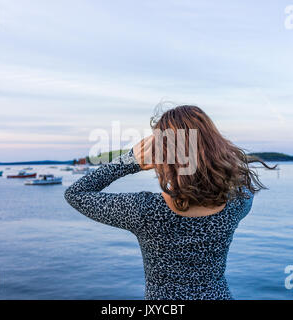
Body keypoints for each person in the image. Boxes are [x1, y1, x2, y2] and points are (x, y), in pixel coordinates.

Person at [64, 105, 274, 299]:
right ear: (214, 147)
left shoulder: (146, 211)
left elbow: (76, 193)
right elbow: (236, 183)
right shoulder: (239, 203)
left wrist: (129, 161)